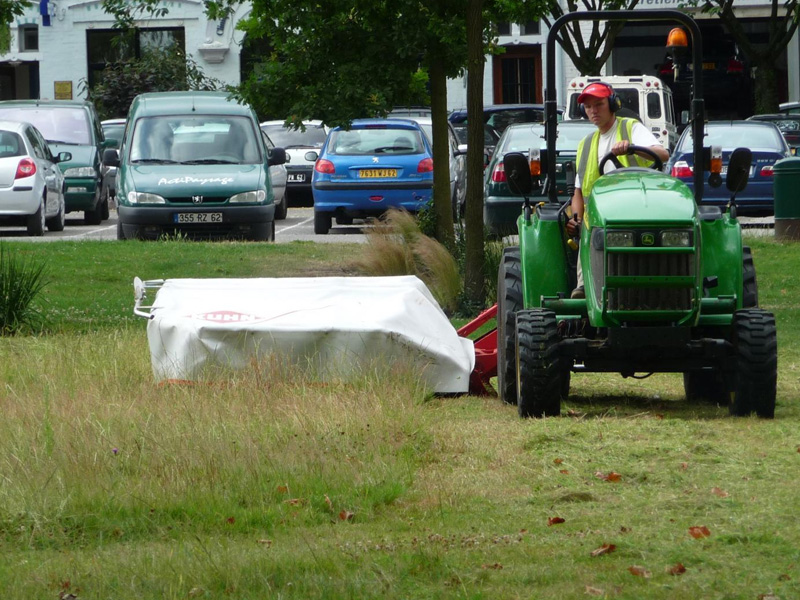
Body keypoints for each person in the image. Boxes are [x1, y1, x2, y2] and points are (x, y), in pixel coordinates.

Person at [566, 82, 670, 299]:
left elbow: (662, 154)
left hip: (636, 210)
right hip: (598, 218)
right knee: (589, 233)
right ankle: (585, 288)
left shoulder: (630, 129)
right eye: (588, 107)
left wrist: (634, 149)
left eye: (599, 104)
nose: (593, 111)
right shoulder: (585, 145)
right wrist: (577, 218)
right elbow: (579, 190)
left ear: (613, 104)